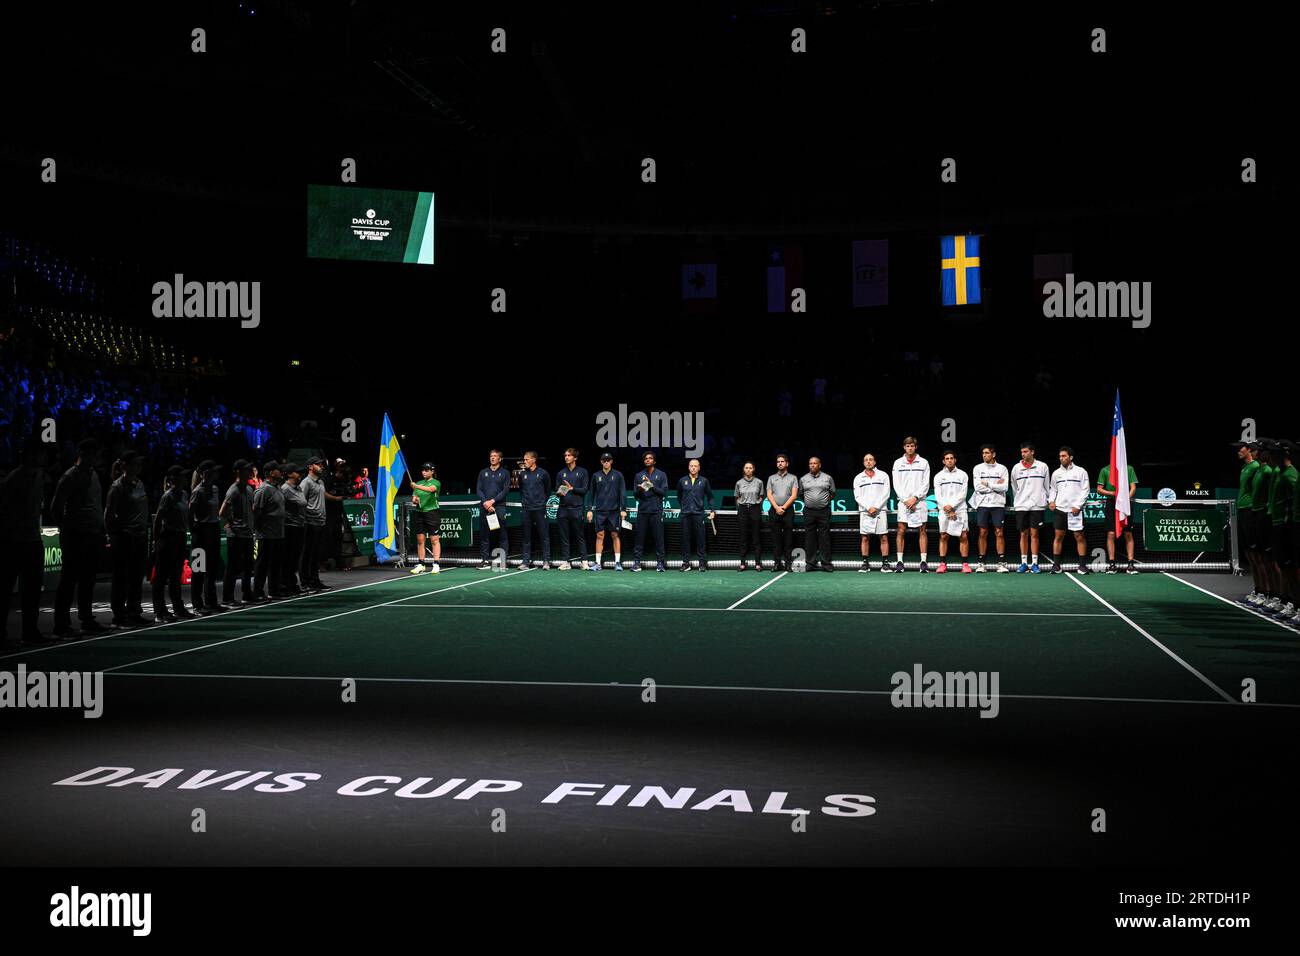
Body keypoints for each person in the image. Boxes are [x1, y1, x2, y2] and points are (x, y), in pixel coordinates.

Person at [50, 438, 109, 638]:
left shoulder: (94, 475)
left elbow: (96, 504)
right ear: (83, 454)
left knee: (88, 580)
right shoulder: (69, 477)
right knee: (68, 580)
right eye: (94, 454)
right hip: (75, 536)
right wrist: (68, 529)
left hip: (92, 534)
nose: (97, 458)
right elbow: (56, 507)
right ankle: (61, 624)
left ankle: (86, 619)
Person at [0, 438, 50, 646]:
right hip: (14, 542)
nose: (42, 457)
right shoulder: (13, 480)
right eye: (39, 453)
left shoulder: (40, 476)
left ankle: (30, 631)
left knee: (32, 591)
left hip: (33, 540)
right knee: (5, 589)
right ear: (28, 455)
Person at [105, 451, 150, 628]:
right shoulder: (117, 487)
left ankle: (134, 612)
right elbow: (108, 514)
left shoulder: (140, 484)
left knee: (136, 577)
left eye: (140, 464)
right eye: (135, 464)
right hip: (124, 538)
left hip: (139, 537)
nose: (138, 467)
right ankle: (119, 615)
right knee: (121, 578)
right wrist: (113, 534)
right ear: (125, 466)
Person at [151, 465, 193, 622]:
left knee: (176, 575)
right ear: (174, 479)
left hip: (180, 537)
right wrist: (156, 542)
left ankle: (178, 608)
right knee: (161, 577)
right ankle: (160, 611)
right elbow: (158, 520)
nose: (185, 478)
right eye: (182, 476)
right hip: (167, 538)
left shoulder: (184, 494)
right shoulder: (167, 497)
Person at [188, 460, 224, 614]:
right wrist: (195, 531)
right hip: (201, 532)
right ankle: (197, 604)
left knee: (211, 569)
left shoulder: (215, 489)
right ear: (205, 473)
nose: (216, 473)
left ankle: (211, 601)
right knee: (199, 569)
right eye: (213, 471)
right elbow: (190, 513)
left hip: (214, 529)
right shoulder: (198, 491)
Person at [1048, 446, 1090, 574]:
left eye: (1064, 456)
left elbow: (1085, 490)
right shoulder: (1056, 473)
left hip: (1074, 510)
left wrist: (1078, 506)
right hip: (1060, 509)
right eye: (1060, 456)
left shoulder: (1081, 471)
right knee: (1058, 536)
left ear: (1070, 457)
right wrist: (1051, 501)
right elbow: (1053, 489)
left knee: (1079, 536)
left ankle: (1082, 566)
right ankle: (1056, 566)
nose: (1061, 458)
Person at [221, 459, 257, 606]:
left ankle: (247, 594)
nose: (250, 471)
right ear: (238, 472)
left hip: (247, 533)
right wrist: (231, 523)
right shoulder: (233, 490)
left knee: (248, 566)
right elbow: (222, 511)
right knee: (233, 567)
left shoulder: (249, 489)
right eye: (247, 469)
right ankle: (227, 598)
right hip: (236, 535)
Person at [891, 437, 931, 572]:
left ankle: (923, 562)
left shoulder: (924, 463)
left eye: (912, 446)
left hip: (920, 502)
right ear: (904, 447)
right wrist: (906, 500)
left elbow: (926, 483)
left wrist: (915, 498)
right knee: (901, 530)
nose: (910, 448)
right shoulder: (897, 463)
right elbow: (896, 484)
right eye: (907, 446)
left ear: (916, 447)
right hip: (904, 502)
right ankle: (900, 562)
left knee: (922, 530)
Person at [1011, 442, 1051, 573]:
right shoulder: (1016, 468)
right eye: (1022, 452)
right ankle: (1023, 563)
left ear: (1032, 452)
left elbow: (1046, 486)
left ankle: (1034, 563)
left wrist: (1046, 500)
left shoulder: (1042, 466)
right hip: (1021, 505)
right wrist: (1019, 500)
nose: (1023, 454)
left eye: (1026, 452)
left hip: (1037, 505)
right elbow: (1014, 488)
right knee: (1023, 534)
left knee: (1034, 534)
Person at [1268, 441, 1297, 618]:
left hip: (1287, 526)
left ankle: (1294, 604)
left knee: (1291, 567)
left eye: (1275, 453)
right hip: (1278, 523)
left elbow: (1293, 502)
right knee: (1283, 565)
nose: (1271, 456)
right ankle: (1288, 602)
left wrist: (1288, 522)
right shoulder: (1280, 472)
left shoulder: (1290, 475)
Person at [971, 444, 1010, 572]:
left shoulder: (1002, 468)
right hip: (982, 504)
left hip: (998, 504)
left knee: (999, 532)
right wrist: (995, 486)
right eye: (983, 453)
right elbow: (977, 487)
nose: (984, 455)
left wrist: (987, 483)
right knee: (982, 532)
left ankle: (1001, 563)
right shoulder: (977, 468)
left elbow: (1005, 488)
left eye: (987, 453)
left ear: (993, 454)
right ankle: (981, 563)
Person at [1096, 457, 1139, 574]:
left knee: (1128, 533)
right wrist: (1113, 494)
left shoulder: (1129, 469)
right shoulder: (1105, 470)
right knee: (1111, 533)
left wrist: (1125, 499)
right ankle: (1112, 564)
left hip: (1125, 504)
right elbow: (1099, 489)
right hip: (1111, 503)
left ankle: (1130, 564)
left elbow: (1133, 487)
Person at [586, 452, 627, 571]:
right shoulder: (595, 476)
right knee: (600, 535)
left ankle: (618, 562)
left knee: (615, 535)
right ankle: (598, 563)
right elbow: (591, 494)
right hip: (600, 511)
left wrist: (623, 509)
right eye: (604, 460)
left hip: (614, 511)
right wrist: (589, 510)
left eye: (608, 460)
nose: (606, 462)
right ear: (601, 461)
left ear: (612, 461)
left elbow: (622, 493)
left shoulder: (618, 475)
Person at [252, 460, 287, 599]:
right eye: (278, 469)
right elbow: (257, 512)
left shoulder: (277, 487)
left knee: (276, 564)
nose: (281, 471)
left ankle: (274, 589)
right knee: (262, 565)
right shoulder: (263, 489)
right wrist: (261, 530)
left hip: (278, 533)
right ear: (271, 472)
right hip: (265, 535)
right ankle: (258, 592)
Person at [934, 450, 972, 573]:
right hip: (944, 510)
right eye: (947, 458)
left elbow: (963, 494)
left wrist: (952, 506)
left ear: (955, 460)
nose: (949, 460)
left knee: (963, 536)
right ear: (943, 461)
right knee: (944, 536)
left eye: (951, 458)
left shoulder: (963, 475)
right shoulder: (938, 476)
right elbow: (938, 495)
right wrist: (946, 506)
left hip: (960, 509)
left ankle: (965, 564)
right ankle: (942, 564)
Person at [853, 453, 892, 573]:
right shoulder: (858, 478)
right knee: (865, 538)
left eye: (871, 460)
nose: (868, 462)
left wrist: (876, 507)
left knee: (883, 537)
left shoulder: (883, 475)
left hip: (880, 511)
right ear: (864, 463)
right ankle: (865, 563)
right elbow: (857, 496)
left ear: (875, 462)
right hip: (865, 512)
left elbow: (886, 493)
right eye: (866, 460)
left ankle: (885, 564)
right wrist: (868, 507)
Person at [631, 451, 668, 572]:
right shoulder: (638, 475)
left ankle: (660, 563)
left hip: (656, 511)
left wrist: (652, 486)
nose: (648, 460)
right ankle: (637, 563)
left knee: (659, 538)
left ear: (654, 461)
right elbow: (635, 495)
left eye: (650, 458)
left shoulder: (661, 475)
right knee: (639, 538)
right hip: (643, 511)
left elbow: (664, 493)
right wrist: (640, 489)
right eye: (646, 458)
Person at [1233, 439, 1261, 600]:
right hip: (1243, 510)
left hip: (1252, 511)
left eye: (1240, 448)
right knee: (1250, 554)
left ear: (1249, 450)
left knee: (1259, 555)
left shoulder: (1256, 467)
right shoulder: (1245, 468)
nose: (1238, 451)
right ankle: (1258, 589)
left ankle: (1271, 594)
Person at [475, 449, 511, 570]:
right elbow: (479, 489)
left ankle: (503, 561)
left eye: (495, 456)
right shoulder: (483, 472)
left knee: (502, 535)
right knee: (484, 535)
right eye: (491, 456)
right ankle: (485, 561)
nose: (492, 458)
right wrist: (486, 502)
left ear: (500, 459)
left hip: (499, 508)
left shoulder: (505, 473)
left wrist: (493, 501)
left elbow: (505, 490)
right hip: (485, 507)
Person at [554, 448, 589, 570]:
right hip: (563, 509)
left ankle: (584, 561)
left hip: (577, 509)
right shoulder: (560, 473)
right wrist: (560, 492)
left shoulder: (583, 472)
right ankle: (566, 562)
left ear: (575, 458)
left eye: (569, 455)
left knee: (580, 536)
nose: (566, 457)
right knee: (564, 537)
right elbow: (557, 491)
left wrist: (572, 488)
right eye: (565, 455)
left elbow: (584, 490)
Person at [677, 459, 715, 572]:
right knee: (685, 539)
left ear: (699, 468)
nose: (693, 468)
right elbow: (679, 496)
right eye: (691, 466)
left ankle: (702, 563)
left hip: (699, 514)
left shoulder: (704, 481)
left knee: (701, 539)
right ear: (688, 467)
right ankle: (686, 563)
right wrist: (684, 506)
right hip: (685, 514)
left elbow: (710, 497)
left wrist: (712, 510)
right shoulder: (682, 481)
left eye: (695, 466)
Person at [800, 456, 836, 571]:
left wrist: (823, 502)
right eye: (810, 463)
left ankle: (826, 563)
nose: (812, 465)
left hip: (824, 511)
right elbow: (801, 494)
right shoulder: (803, 479)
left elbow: (833, 493)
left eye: (815, 463)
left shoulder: (828, 478)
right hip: (809, 511)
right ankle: (810, 563)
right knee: (809, 538)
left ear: (819, 465)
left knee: (824, 538)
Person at [299, 457, 330, 591]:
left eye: (322, 464)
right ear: (310, 467)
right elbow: (300, 502)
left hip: (320, 522)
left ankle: (315, 580)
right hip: (310, 523)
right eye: (318, 464)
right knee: (307, 554)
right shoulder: (306, 483)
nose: (321, 466)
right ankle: (305, 582)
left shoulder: (321, 482)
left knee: (316, 554)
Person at [518, 451, 552, 570]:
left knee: (544, 536)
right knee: (526, 537)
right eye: (524, 459)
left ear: (533, 460)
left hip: (539, 509)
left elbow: (548, 491)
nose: (525, 462)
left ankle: (546, 561)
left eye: (527, 459)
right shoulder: (522, 475)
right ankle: (525, 562)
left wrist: (541, 502)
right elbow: (521, 491)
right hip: (527, 509)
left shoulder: (543, 474)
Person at [409, 462, 443, 574]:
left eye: (427, 470)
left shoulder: (436, 483)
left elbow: (430, 490)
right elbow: (414, 498)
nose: (424, 472)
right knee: (420, 540)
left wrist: (415, 486)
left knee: (434, 539)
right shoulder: (419, 483)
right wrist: (415, 500)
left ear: (432, 471)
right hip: (419, 513)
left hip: (432, 513)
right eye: (423, 470)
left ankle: (436, 564)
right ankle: (421, 564)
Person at [766, 454, 798, 572]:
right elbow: (769, 495)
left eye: (782, 461)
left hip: (788, 511)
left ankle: (788, 564)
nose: (780, 463)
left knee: (788, 539)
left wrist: (783, 507)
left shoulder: (793, 478)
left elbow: (794, 495)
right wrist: (776, 508)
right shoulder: (771, 478)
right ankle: (777, 563)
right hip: (774, 510)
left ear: (787, 463)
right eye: (778, 461)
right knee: (776, 538)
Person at [280, 463, 308, 594]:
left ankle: (292, 583)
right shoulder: (285, 489)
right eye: (297, 472)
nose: (300, 474)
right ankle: (287, 584)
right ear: (290, 474)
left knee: (295, 557)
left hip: (299, 526)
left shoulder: (298, 488)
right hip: (290, 527)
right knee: (288, 558)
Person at [735, 461, 765, 571]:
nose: (748, 469)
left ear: (753, 469)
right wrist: (742, 505)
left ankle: (758, 563)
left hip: (755, 509)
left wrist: (755, 504)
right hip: (743, 510)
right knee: (743, 538)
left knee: (756, 538)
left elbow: (761, 496)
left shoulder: (759, 482)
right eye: (746, 468)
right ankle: (742, 563)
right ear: (744, 470)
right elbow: (737, 497)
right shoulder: (738, 483)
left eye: (750, 468)